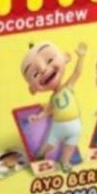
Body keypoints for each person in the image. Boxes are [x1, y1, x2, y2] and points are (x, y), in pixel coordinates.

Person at [22, 41, 87, 172]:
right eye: (35, 74)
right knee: (50, 144)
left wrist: (81, 57)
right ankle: (41, 154)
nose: (44, 70)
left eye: (50, 60)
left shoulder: (68, 86)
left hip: (75, 125)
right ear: (32, 89)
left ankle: (65, 162)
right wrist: (37, 117)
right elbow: (47, 111)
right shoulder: (52, 99)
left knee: (70, 145)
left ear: (65, 58)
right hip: (58, 126)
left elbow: (77, 72)